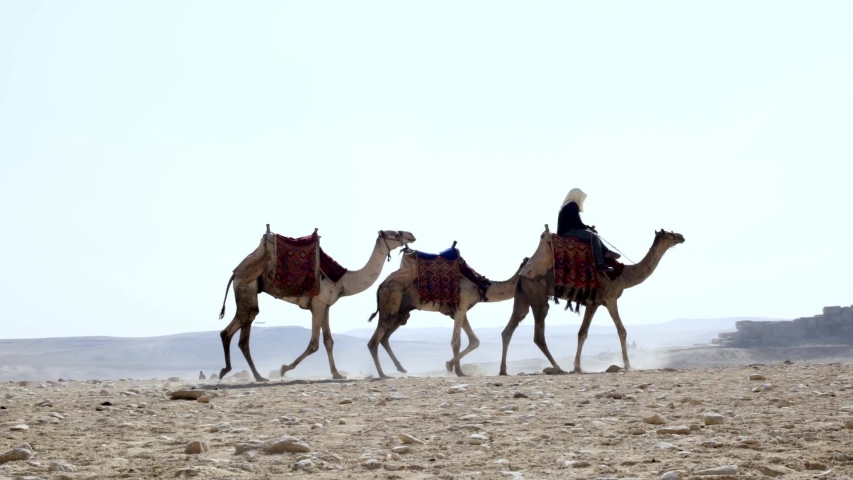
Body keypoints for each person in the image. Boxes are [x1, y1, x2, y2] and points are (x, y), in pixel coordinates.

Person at [557, 188, 619, 273]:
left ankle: (606, 251)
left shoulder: (567, 205)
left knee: (593, 235)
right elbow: (577, 224)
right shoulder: (572, 205)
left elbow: (576, 223)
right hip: (567, 232)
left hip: (567, 230)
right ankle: (600, 263)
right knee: (593, 236)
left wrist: (587, 228)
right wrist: (588, 229)